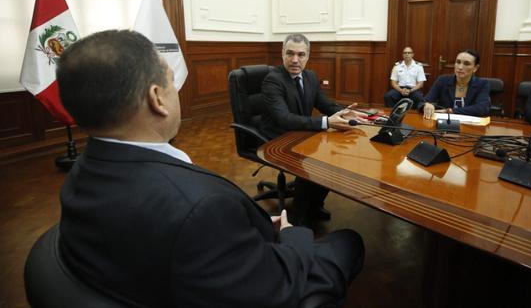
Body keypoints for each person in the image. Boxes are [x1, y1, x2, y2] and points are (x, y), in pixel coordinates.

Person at [56, 30, 364, 308]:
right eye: (171, 81)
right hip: (269, 276)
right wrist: (293, 235)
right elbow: (272, 287)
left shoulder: (77, 176)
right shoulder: (202, 206)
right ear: (157, 98)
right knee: (350, 240)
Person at [260, 33, 367, 223]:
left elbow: (326, 104)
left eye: (301, 55)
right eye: (290, 53)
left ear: (308, 56)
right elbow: (284, 119)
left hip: (301, 132)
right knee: (317, 161)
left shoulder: (310, 76)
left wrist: (344, 113)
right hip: (276, 137)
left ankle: (314, 205)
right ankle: (296, 218)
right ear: (282, 53)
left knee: (331, 156)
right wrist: (326, 122)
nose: (295, 60)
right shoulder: (273, 80)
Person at [419, 49, 491, 119]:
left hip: (470, 126)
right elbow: (423, 102)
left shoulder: (482, 84)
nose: (460, 67)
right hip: (444, 125)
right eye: (458, 62)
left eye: (466, 64)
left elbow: (482, 109)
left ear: (475, 68)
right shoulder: (443, 80)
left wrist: (451, 111)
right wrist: (426, 105)